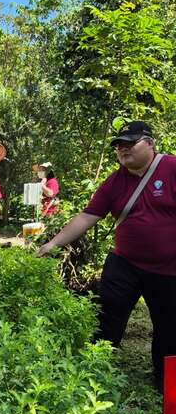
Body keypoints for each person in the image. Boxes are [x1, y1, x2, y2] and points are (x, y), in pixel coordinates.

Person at [38, 121, 176, 391]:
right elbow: (88, 216)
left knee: (169, 327)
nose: (123, 150)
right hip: (125, 263)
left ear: (149, 143)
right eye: (119, 146)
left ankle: (166, 384)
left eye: (130, 144)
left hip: (168, 269)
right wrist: (52, 244)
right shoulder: (115, 181)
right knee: (107, 314)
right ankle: (94, 372)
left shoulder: (171, 168)